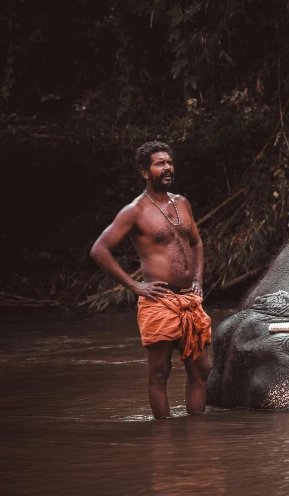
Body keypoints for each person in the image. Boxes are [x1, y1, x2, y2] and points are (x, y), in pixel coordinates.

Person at [90, 141, 211, 419]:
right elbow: (99, 250)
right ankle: (164, 438)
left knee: (201, 370)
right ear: (145, 172)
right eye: (160, 163)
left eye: (169, 162)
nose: (168, 168)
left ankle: (200, 436)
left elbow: (196, 243)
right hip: (158, 300)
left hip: (189, 299)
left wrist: (198, 279)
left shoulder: (181, 202)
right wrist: (135, 286)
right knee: (159, 373)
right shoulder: (134, 211)